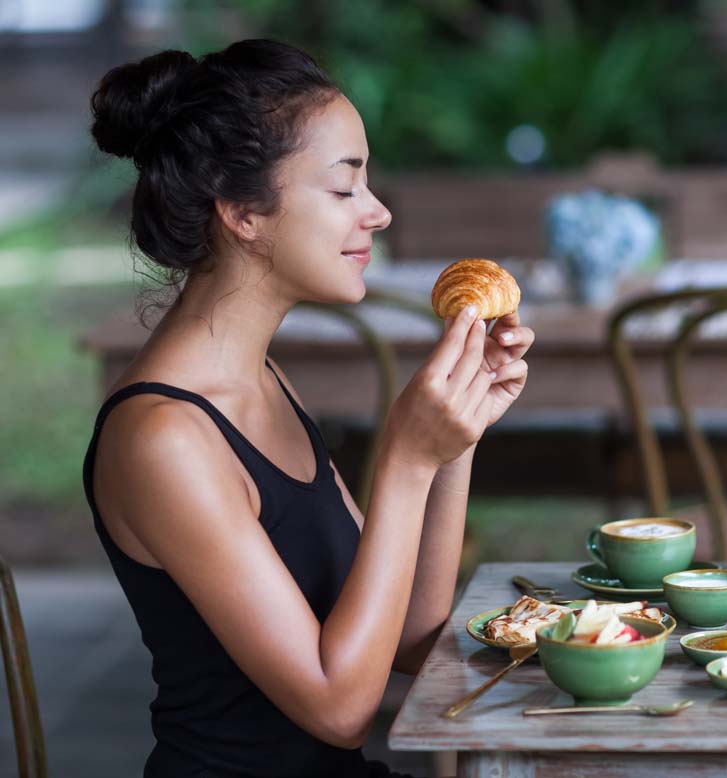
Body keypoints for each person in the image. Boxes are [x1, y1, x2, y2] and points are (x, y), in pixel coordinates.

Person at [82, 39, 533, 777]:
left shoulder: (263, 380)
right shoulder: (163, 438)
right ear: (241, 212)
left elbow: (411, 639)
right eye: (344, 188)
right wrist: (406, 458)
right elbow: (339, 708)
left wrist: (457, 434)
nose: (378, 213)